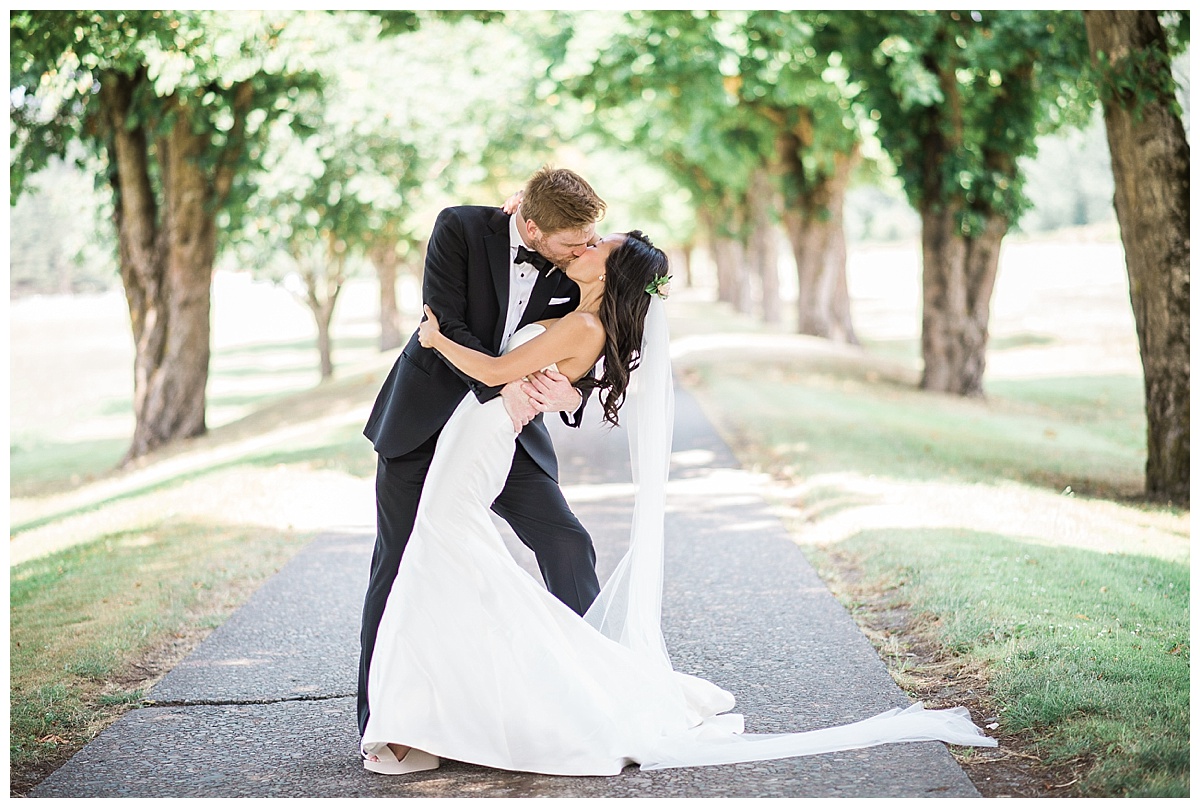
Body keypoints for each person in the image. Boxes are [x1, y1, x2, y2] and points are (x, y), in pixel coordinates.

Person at [360, 229, 998, 775]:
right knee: (439, 553)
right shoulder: (571, 302)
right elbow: (549, 369)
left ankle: (441, 711)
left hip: (487, 434)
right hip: (470, 432)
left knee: (445, 548)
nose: (582, 247)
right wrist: (563, 393)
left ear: (612, 273)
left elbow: (506, 372)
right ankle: (436, 708)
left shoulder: (583, 322)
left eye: (595, 246)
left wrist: (436, 341)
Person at [359, 167, 608, 741]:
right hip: (425, 421)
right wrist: (507, 386)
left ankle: (597, 689)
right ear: (529, 223)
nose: (586, 247)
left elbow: (593, 336)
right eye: (574, 240)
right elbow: (445, 323)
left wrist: (574, 392)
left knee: (566, 542)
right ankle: (380, 720)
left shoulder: (579, 262)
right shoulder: (460, 229)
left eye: (590, 238)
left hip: (508, 434)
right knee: (396, 565)